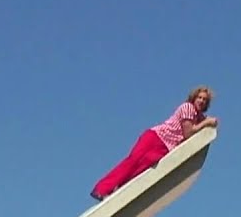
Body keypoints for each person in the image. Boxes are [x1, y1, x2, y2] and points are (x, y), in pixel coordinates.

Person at [90, 86, 218, 201]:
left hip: (165, 148)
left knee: (140, 171)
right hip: (156, 138)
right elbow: (188, 132)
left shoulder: (198, 117)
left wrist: (209, 122)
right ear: (194, 98)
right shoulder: (188, 108)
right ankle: (101, 189)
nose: (201, 101)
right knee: (133, 161)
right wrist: (207, 123)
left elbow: (207, 124)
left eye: (205, 100)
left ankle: (117, 191)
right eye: (199, 98)